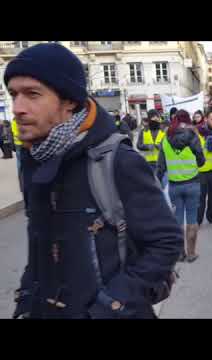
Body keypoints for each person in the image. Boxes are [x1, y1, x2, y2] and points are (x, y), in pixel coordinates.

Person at [5, 43, 183, 319]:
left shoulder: (115, 160)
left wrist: (109, 306)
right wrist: (26, 302)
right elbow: (39, 246)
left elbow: (166, 242)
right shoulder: (32, 160)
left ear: (69, 101)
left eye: (32, 94)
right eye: (13, 94)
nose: (17, 108)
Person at [157, 110, 205, 263]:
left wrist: (156, 183)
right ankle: (191, 253)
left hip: (174, 186)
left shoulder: (165, 139)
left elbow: (161, 166)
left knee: (177, 221)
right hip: (192, 183)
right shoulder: (192, 136)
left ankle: (179, 254)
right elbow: (201, 159)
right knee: (192, 220)